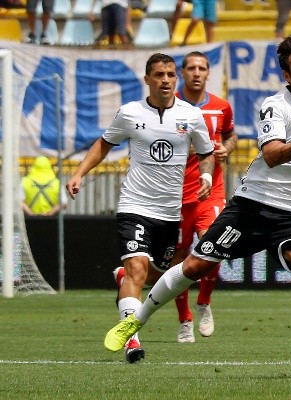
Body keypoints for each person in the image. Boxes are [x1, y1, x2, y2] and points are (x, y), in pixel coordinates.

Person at [104, 34, 291, 379]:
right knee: (194, 267)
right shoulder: (274, 106)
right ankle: (136, 321)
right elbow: (271, 154)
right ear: (286, 75)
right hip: (254, 206)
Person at [66, 53, 214, 363]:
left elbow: (206, 152)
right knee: (137, 269)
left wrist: (206, 173)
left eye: (171, 74)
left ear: (177, 79)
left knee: (157, 276)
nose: (166, 80)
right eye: (159, 74)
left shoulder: (191, 116)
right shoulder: (130, 113)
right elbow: (105, 144)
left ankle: (123, 279)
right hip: (134, 205)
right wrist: (79, 173)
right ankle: (131, 339)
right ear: (147, 79)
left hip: (169, 213)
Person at [173, 51, 238, 343]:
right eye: (191, 68)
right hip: (175, 195)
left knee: (215, 248)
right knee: (178, 258)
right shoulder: (170, 107)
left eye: (202, 68)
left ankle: (204, 302)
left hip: (211, 192)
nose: (197, 73)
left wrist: (227, 148)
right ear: (182, 73)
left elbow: (231, 135)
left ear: (208, 73)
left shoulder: (221, 107)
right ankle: (184, 320)